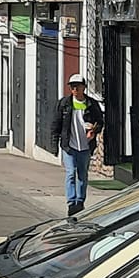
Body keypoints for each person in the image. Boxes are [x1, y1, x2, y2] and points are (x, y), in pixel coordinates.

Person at [49, 73, 105, 216]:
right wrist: (54, 145)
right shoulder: (64, 104)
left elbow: (100, 122)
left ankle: (80, 202)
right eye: (72, 87)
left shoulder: (91, 104)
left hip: (85, 146)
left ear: (83, 88)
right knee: (70, 173)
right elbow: (56, 124)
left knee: (82, 174)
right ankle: (71, 202)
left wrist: (94, 130)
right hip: (69, 145)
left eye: (77, 86)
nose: (75, 89)